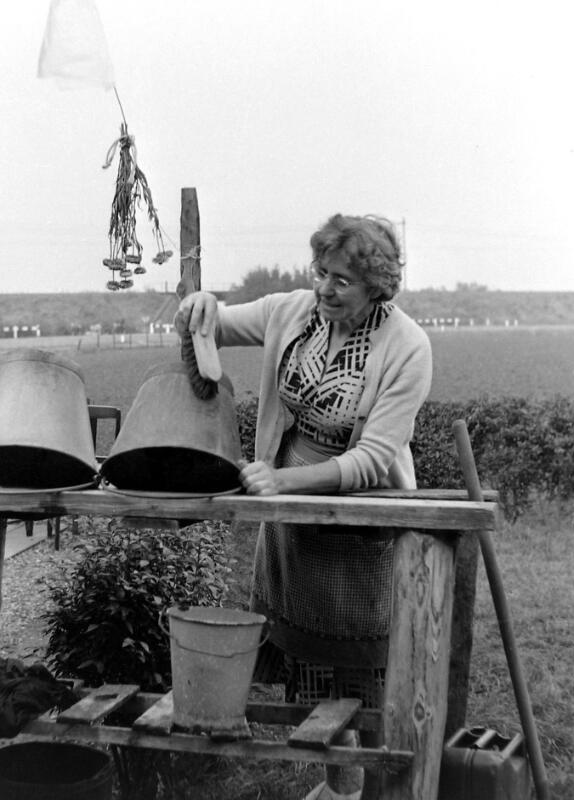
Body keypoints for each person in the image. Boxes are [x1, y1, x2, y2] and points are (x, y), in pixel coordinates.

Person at [175, 213, 432, 800]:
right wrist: (201, 307)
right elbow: (214, 326)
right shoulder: (291, 311)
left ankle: (378, 787)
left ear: (377, 286)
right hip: (290, 520)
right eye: (321, 272)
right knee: (314, 673)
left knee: (365, 672)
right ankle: (340, 787)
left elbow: (371, 460)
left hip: (361, 525)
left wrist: (283, 481)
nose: (324, 288)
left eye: (342, 280)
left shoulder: (408, 347)